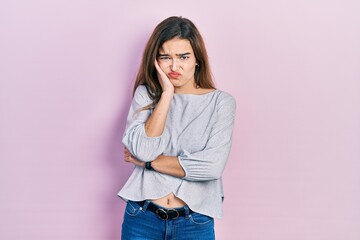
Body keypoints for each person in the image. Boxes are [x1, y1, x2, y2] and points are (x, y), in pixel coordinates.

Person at [118, 16, 236, 240]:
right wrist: (167, 94)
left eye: (183, 57)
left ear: (196, 59)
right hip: (142, 217)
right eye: (165, 57)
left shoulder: (221, 103)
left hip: (195, 221)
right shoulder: (146, 95)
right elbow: (142, 149)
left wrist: (149, 163)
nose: (174, 66)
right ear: (155, 61)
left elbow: (211, 167)